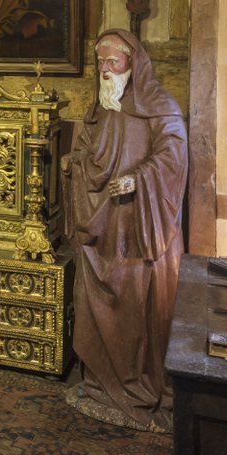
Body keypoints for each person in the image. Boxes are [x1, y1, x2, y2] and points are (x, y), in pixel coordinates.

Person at [61, 29, 187, 432]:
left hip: (138, 228)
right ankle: (99, 381)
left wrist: (138, 180)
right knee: (93, 298)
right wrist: (74, 162)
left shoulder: (160, 105)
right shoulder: (100, 107)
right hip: (100, 227)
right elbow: (86, 148)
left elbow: (173, 158)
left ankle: (139, 385)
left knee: (137, 301)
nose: (104, 69)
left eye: (111, 62)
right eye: (100, 62)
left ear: (133, 62)